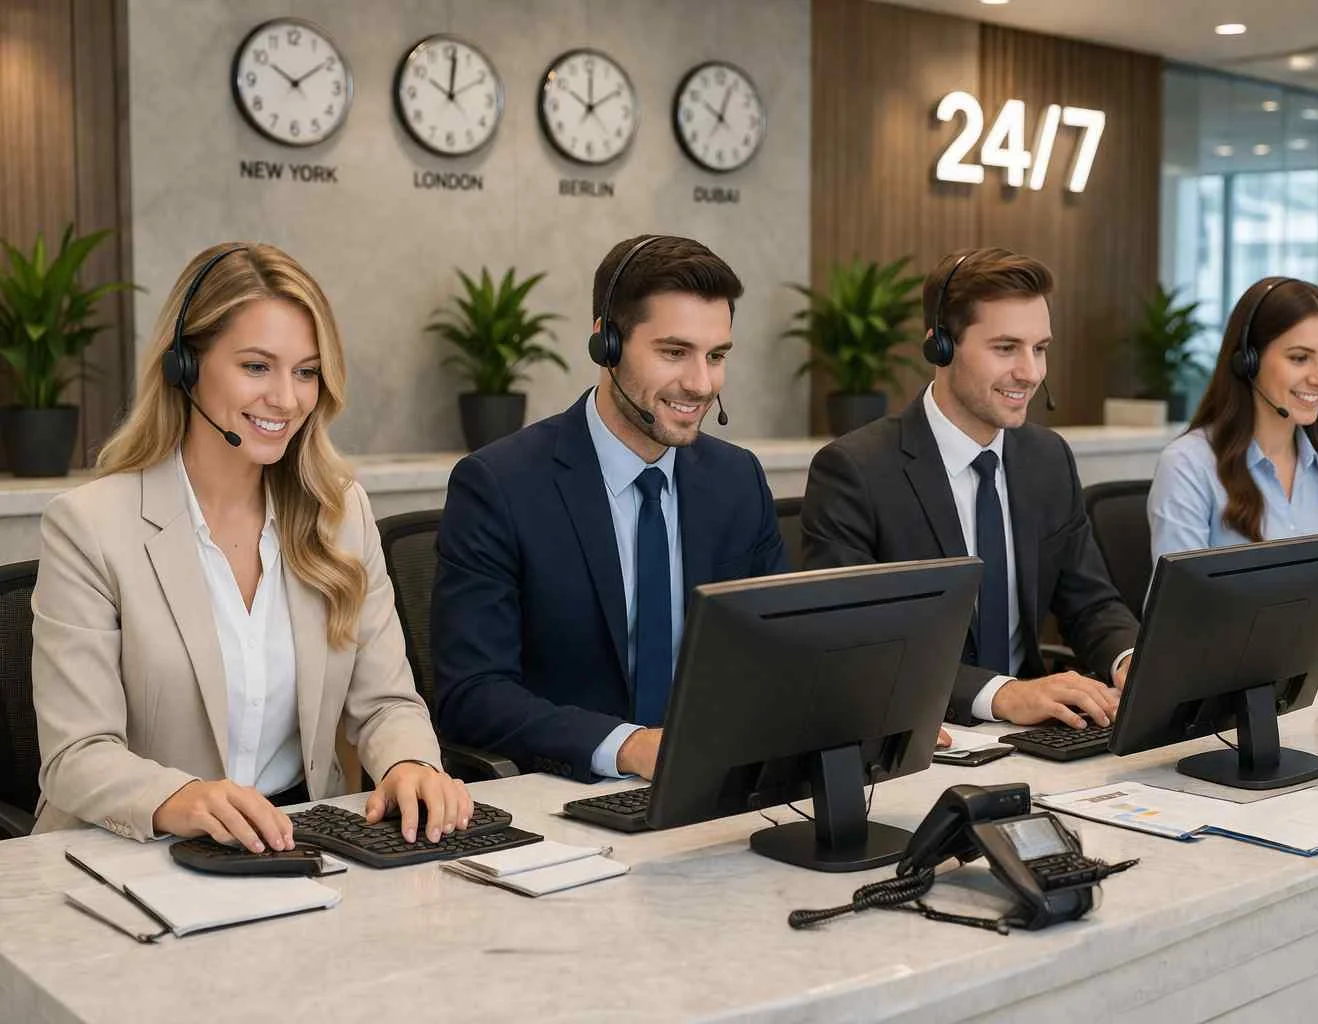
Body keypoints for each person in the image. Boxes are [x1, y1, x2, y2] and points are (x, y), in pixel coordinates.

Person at [32, 242, 470, 852]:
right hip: (134, 854)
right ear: (184, 366)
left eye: (306, 371)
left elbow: (385, 702)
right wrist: (180, 797)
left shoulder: (340, 515)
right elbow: (76, 754)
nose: (287, 400)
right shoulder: (90, 526)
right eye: (257, 367)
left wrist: (410, 765)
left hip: (294, 846)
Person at [432, 234, 787, 782]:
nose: (700, 384)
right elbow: (473, 692)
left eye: (716, 356)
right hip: (569, 797)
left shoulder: (737, 481)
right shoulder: (500, 485)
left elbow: (781, 648)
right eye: (674, 352)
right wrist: (626, 747)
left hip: (719, 789)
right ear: (607, 343)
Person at [801, 248, 1138, 729]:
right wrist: (1002, 695)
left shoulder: (1047, 459)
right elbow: (854, 645)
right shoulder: (855, 471)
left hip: (1043, 732)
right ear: (940, 346)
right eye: (1006, 348)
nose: (1031, 372)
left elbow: (1092, 604)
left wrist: (1128, 660)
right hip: (926, 734)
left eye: (1039, 348)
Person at [1148, 276, 1318, 671]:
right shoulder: (1189, 465)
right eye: (1300, 358)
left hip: (1315, 700)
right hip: (1226, 707)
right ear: (1247, 360)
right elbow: (1183, 620)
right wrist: (1315, 652)